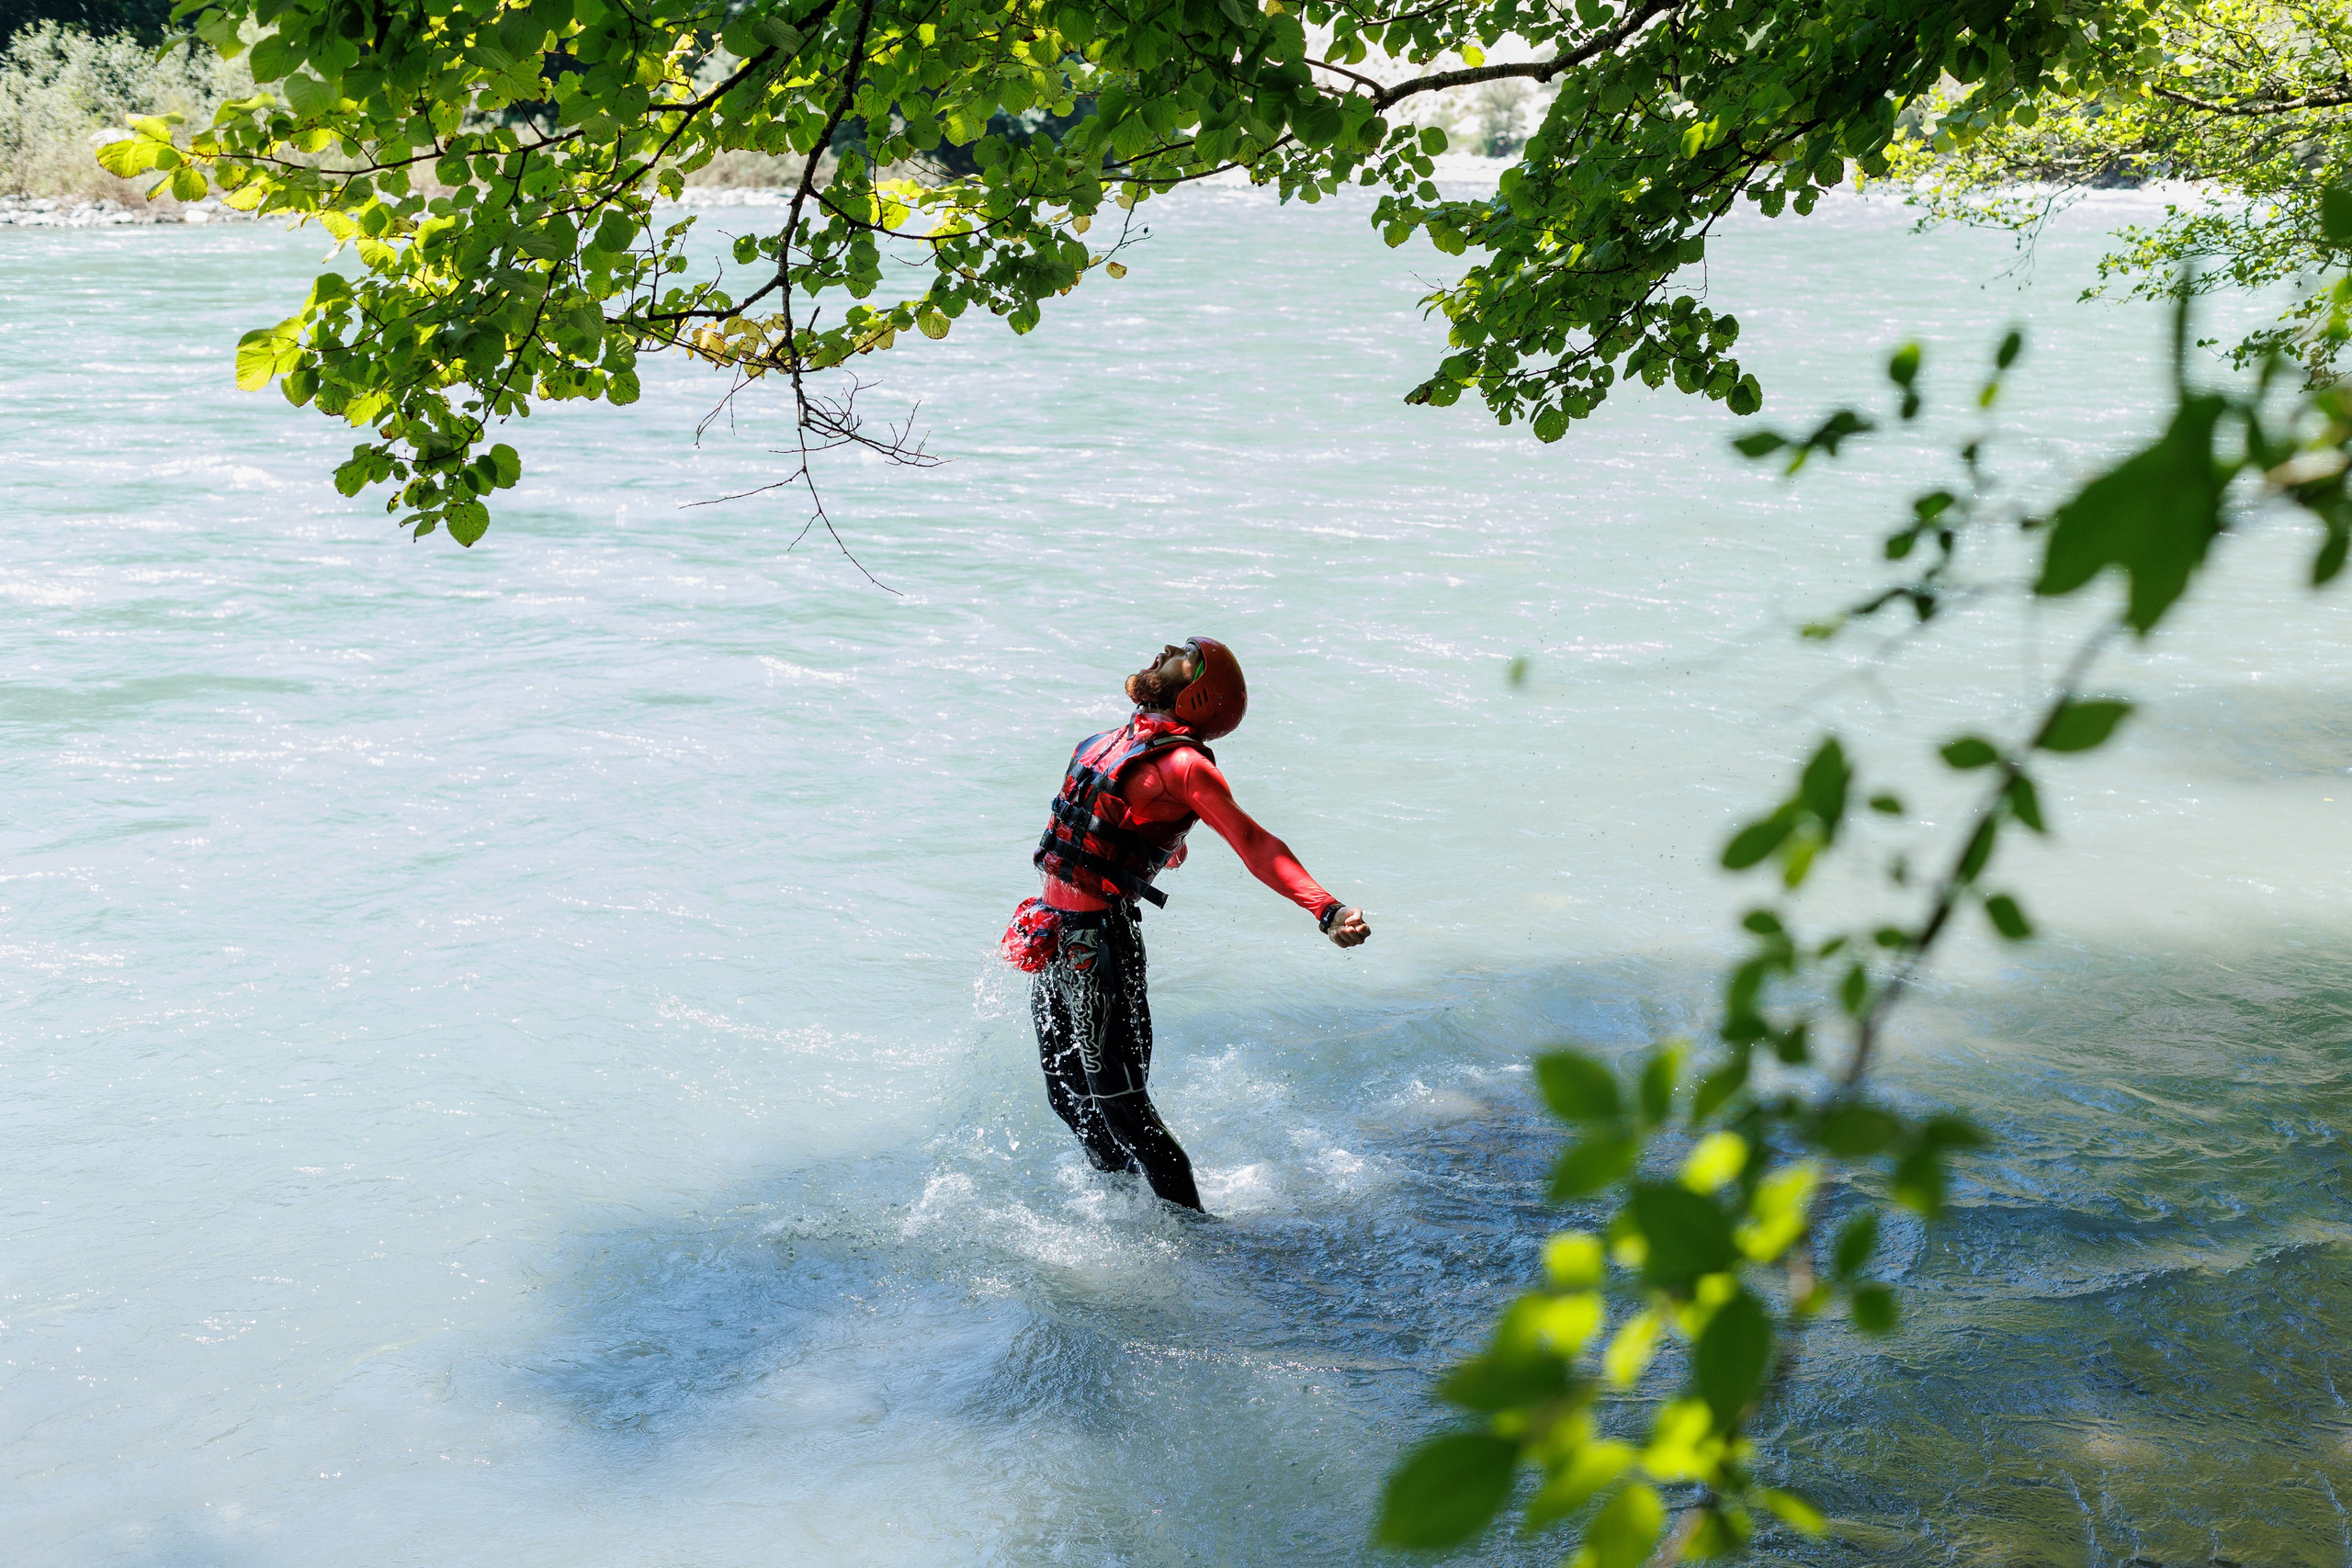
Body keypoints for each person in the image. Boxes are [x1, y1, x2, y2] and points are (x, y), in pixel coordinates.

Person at [1027, 637, 1370, 1212]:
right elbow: (1114, 822)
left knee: (1125, 1109)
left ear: (1198, 694)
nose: (1164, 650)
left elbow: (1255, 843)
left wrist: (1326, 909)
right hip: (1052, 931)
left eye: (1184, 655)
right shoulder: (1103, 743)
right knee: (1067, 1096)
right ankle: (1123, 1205)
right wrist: (1163, 845)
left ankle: (1196, 1240)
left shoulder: (1186, 766)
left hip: (1101, 948)